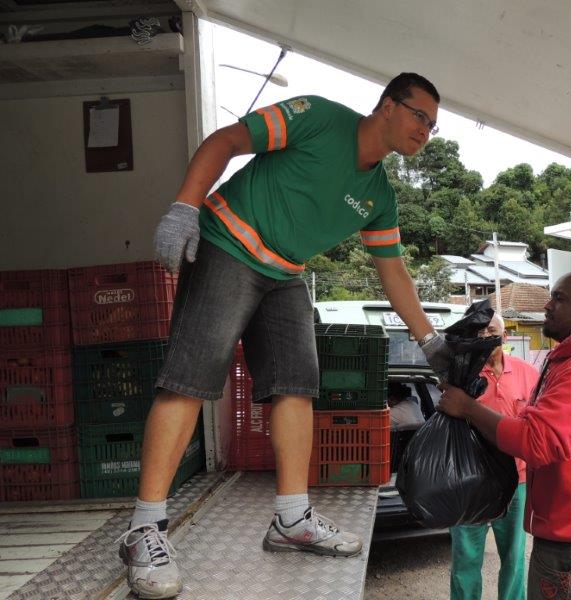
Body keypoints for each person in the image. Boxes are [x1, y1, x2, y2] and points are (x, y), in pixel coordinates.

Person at [116, 73, 453, 600]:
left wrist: (431, 342)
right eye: (419, 116)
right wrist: (184, 207)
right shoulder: (319, 117)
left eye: (433, 126)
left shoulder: (379, 196)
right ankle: (144, 529)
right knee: (189, 382)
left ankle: (291, 520)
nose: (425, 131)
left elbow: (394, 273)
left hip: (284, 273)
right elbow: (225, 140)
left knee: (298, 384)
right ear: (388, 105)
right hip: (228, 244)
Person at [438, 270, 571, 600]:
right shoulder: (570, 359)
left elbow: (537, 441)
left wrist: (468, 408)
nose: (547, 305)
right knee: (467, 559)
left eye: (559, 298)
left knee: (513, 563)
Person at [449, 313, 538, 600]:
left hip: (517, 482)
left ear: (505, 336)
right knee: (466, 558)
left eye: (491, 330)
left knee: (514, 557)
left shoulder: (527, 373)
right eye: (479, 332)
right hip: (470, 483)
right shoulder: (462, 376)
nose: (486, 336)